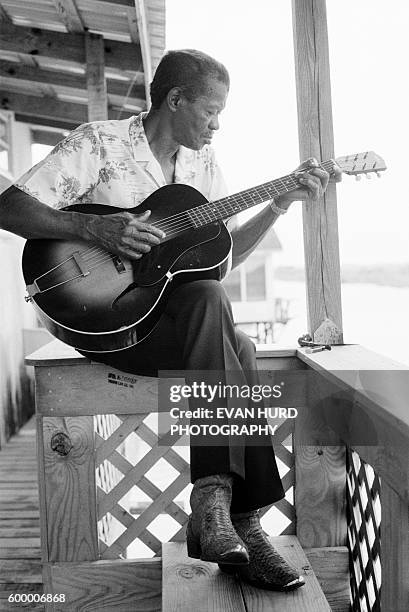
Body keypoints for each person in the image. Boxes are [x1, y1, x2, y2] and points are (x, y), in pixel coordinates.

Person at [0, 49, 340, 591]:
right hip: (106, 325)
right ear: (175, 99)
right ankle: (241, 522)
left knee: (222, 321)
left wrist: (278, 204)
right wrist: (96, 232)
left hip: (175, 325)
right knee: (238, 347)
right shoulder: (98, 143)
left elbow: (216, 263)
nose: (217, 125)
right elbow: (8, 207)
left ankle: (226, 516)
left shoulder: (202, 170)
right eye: (210, 111)